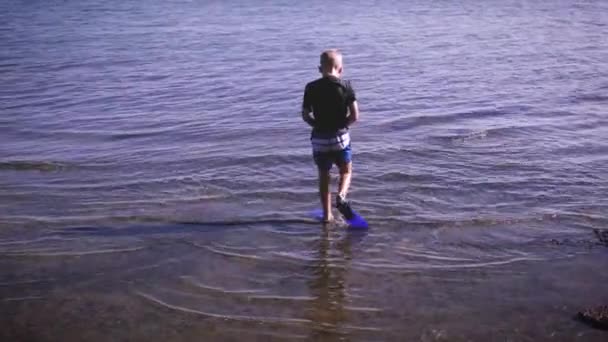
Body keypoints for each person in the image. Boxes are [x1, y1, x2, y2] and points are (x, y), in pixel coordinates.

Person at [301, 49, 360, 223]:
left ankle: (327, 215)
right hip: (340, 138)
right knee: (346, 170)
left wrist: (317, 126)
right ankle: (341, 196)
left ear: (320, 69)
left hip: (320, 140)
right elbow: (355, 115)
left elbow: (305, 115)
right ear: (340, 69)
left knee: (324, 176)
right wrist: (343, 125)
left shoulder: (310, 87)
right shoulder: (346, 86)